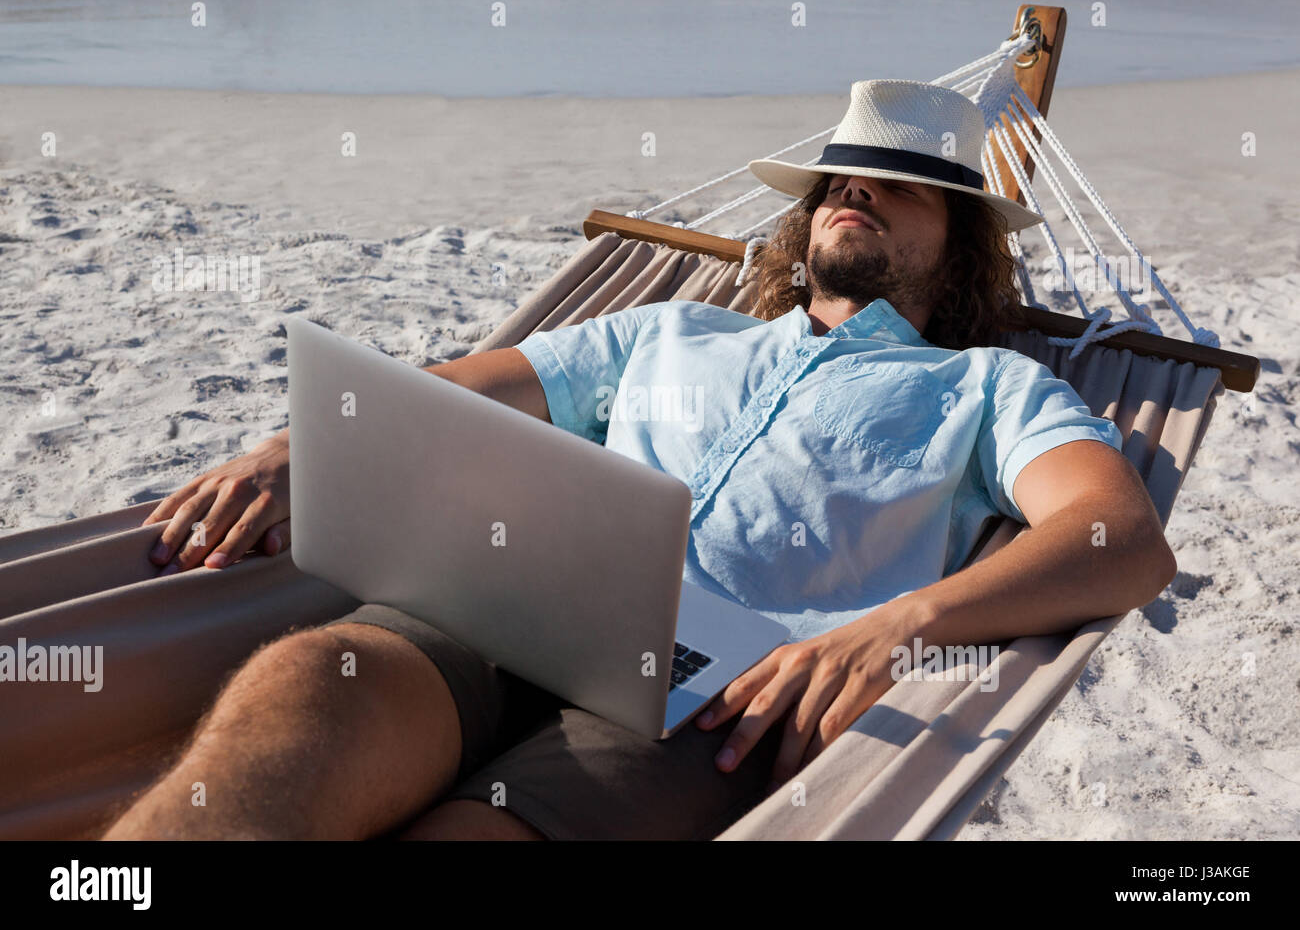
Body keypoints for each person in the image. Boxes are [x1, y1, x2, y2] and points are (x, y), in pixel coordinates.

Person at [103, 80, 1176, 840]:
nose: (854, 189)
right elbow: (462, 387)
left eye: (897, 185)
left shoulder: (983, 389)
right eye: (838, 177)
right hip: (511, 601)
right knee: (303, 681)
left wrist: (901, 624)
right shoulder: (669, 331)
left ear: (960, 242)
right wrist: (309, 436)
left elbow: (1117, 538)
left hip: (717, 691)